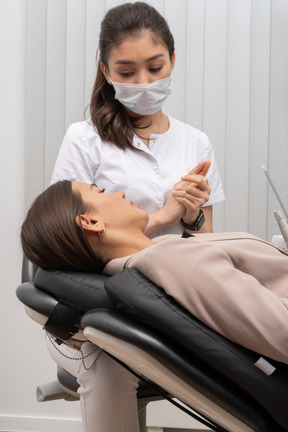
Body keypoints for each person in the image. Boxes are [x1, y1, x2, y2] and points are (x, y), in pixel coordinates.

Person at [42, 2, 225, 430]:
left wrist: (194, 218)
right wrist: (160, 219)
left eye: (155, 67)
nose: (143, 82)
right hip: (98, 308)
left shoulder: (195, 142)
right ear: (106, 72)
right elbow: (63, 245)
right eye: (126, 72)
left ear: (172, 62)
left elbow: (207, 243)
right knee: (112, 354)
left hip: (175, 299)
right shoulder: (84, 140)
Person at [21, 180, 288, 367]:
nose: (120, 193)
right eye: (100, 191)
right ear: (91, 222)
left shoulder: (159, 252)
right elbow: (280, 331)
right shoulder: (172, 260)